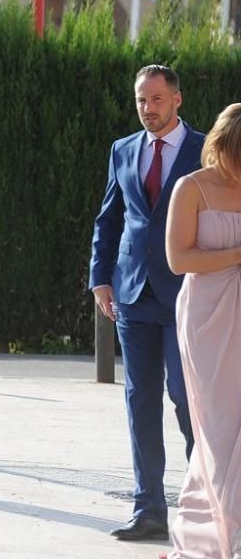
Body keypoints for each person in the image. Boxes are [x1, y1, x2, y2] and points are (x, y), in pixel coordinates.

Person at [89, 64, 202, 541]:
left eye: (156, 100)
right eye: (141, 100)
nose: (147, 109)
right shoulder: (123, 150)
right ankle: (149, 510)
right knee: (140, 403)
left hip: (187, 294)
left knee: (187, 398)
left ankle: (208, 504)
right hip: (132, 293)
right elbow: (109, 218)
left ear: (176, 100)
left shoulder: (205, 150)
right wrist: (100, 278)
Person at [164, 103, 241, 559]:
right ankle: (209, 532)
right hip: (207, 318)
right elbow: (180, 260)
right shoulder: (191, 188)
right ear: (221, 146)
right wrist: (236, 255)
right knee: (217, 427)